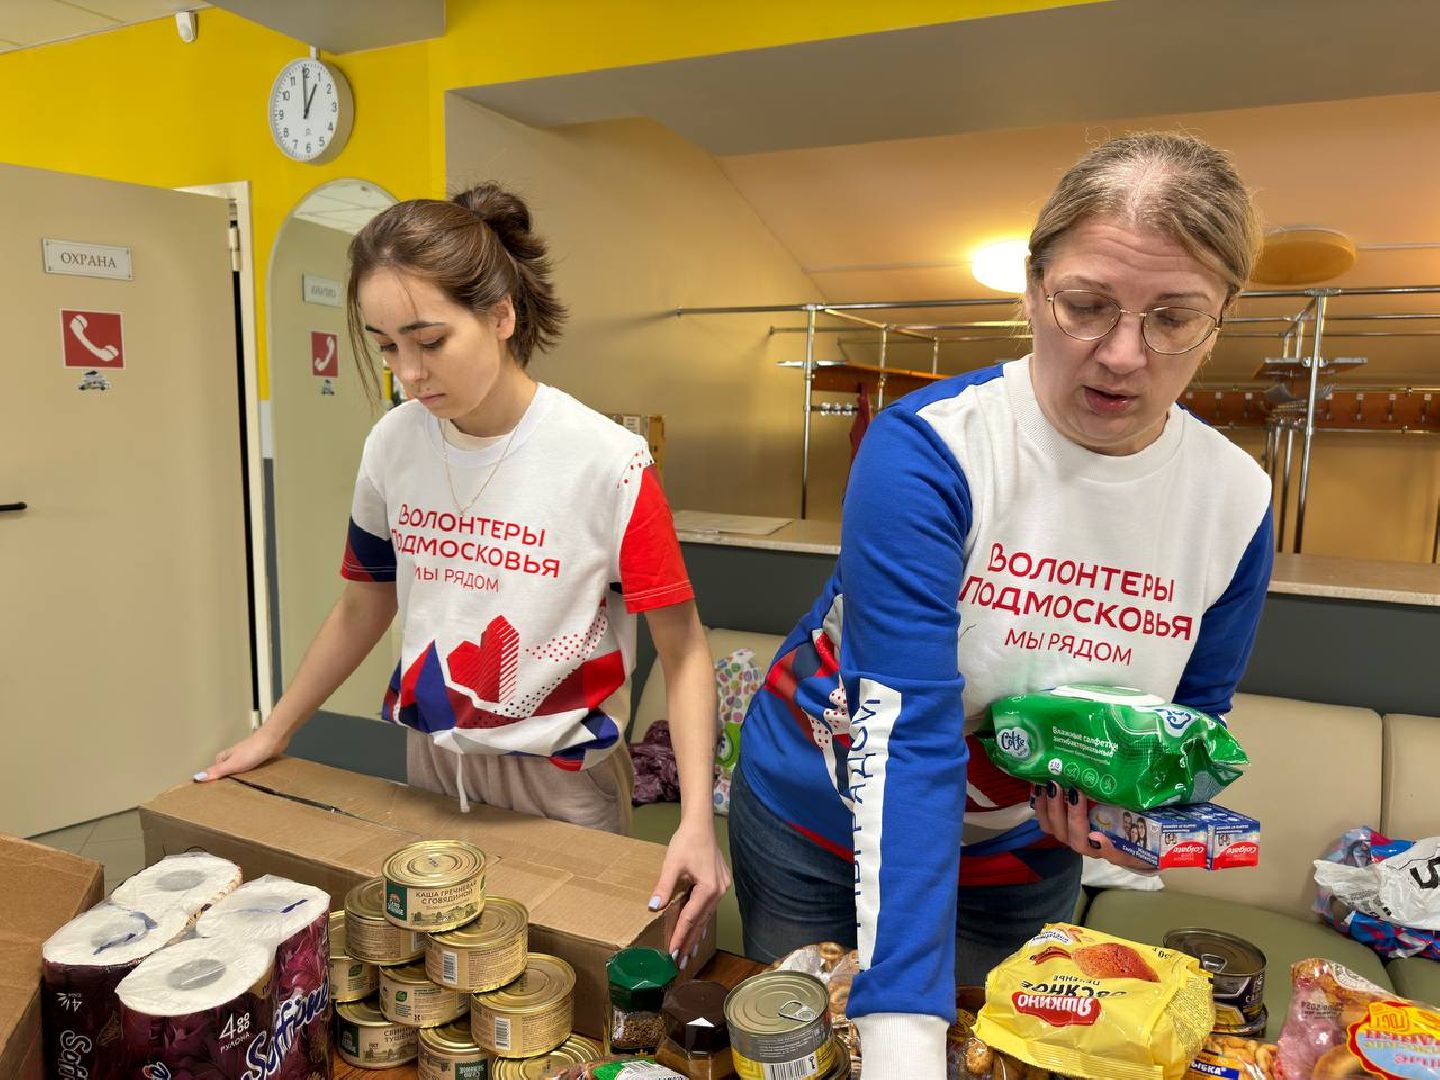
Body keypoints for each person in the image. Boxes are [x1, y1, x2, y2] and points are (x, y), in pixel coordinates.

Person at [729, 132, 1274, 1078]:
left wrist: (1134, 814)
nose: (1121, 354)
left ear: (1220, 320)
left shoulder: (1234, 499)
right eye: (1086, 305)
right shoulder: (929, 451)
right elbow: (908, 733)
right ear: (1032, 289)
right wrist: (901, 1034)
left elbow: (1195, 719)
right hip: (819, 821)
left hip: (1018, 861)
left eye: (1174, 318)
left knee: (998, 1060)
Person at [199, 184, 728, 961]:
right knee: (440, 980)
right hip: (432, 765)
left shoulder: (606, 461)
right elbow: (361, 609)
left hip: (561, 779)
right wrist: (272, 732)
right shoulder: (392, 445)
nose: (408, 372)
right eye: (385, 346)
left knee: (567, 987)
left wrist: (693, 824)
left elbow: (683, 651)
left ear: (503, 315)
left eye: (430, 340)